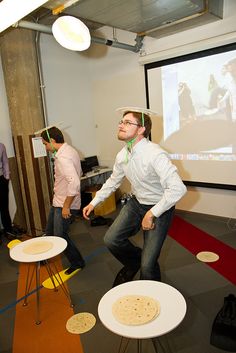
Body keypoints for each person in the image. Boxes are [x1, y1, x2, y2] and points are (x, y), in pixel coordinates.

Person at [83, 107, 187, 287]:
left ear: (141, 129)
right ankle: (134, 262)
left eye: (127, 122)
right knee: (111, 240)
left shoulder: (155, 153)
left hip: (159, 208)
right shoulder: (122, 154)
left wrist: (151, 213)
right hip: (136, 203)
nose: (121, 125)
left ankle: (151, 291)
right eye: (121, 122)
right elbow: (113, 181)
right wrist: (94, 202)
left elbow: (178, 188)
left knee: (148, 266)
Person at [41, 127, 85, 274]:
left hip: (65, 203)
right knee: (49, 231)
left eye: (45, 144)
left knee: (61, 236)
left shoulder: (63, 157)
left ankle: (77, 262)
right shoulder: (69, 150)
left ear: (52, 141)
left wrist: (66, 207)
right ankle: (46, 256)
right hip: (58, 201)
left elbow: (75, 183)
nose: (46, 148)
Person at [0, 142, 21, 242]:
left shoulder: (1, 146)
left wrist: (6, 177)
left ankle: (8, 230)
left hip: (1, 180)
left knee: (4, 207)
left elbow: (5, 162)